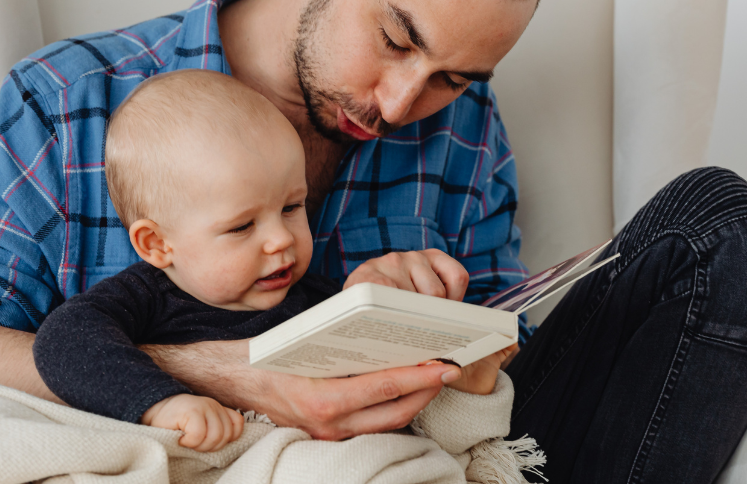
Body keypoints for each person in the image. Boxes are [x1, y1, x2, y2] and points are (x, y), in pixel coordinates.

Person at [0, 0, 747, 483]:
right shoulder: (62, 105)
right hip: (213, 459)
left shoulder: (462, 123)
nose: (400, 102)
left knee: (725, 224)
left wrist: (463, 333)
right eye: (396, 37)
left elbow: (497, 357)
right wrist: (224, 374)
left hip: (436, 452)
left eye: (454, 76)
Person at [33, 70, 519, 466]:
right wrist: (162, 402)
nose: (281, 239)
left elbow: (409, 414)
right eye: (242, 226)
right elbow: (62, 342)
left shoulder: (322, 301)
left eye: (291, 207)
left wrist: (468, 381)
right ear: (157, 243)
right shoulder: (143, 297)